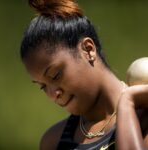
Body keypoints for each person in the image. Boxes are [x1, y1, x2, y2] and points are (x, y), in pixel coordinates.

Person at [20, 0, 148, 149]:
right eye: (43, 87)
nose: (53, 94)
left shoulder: (144, 119)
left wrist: (127, 103)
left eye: (55, 75)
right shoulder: (52, 141)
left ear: (88, 50)